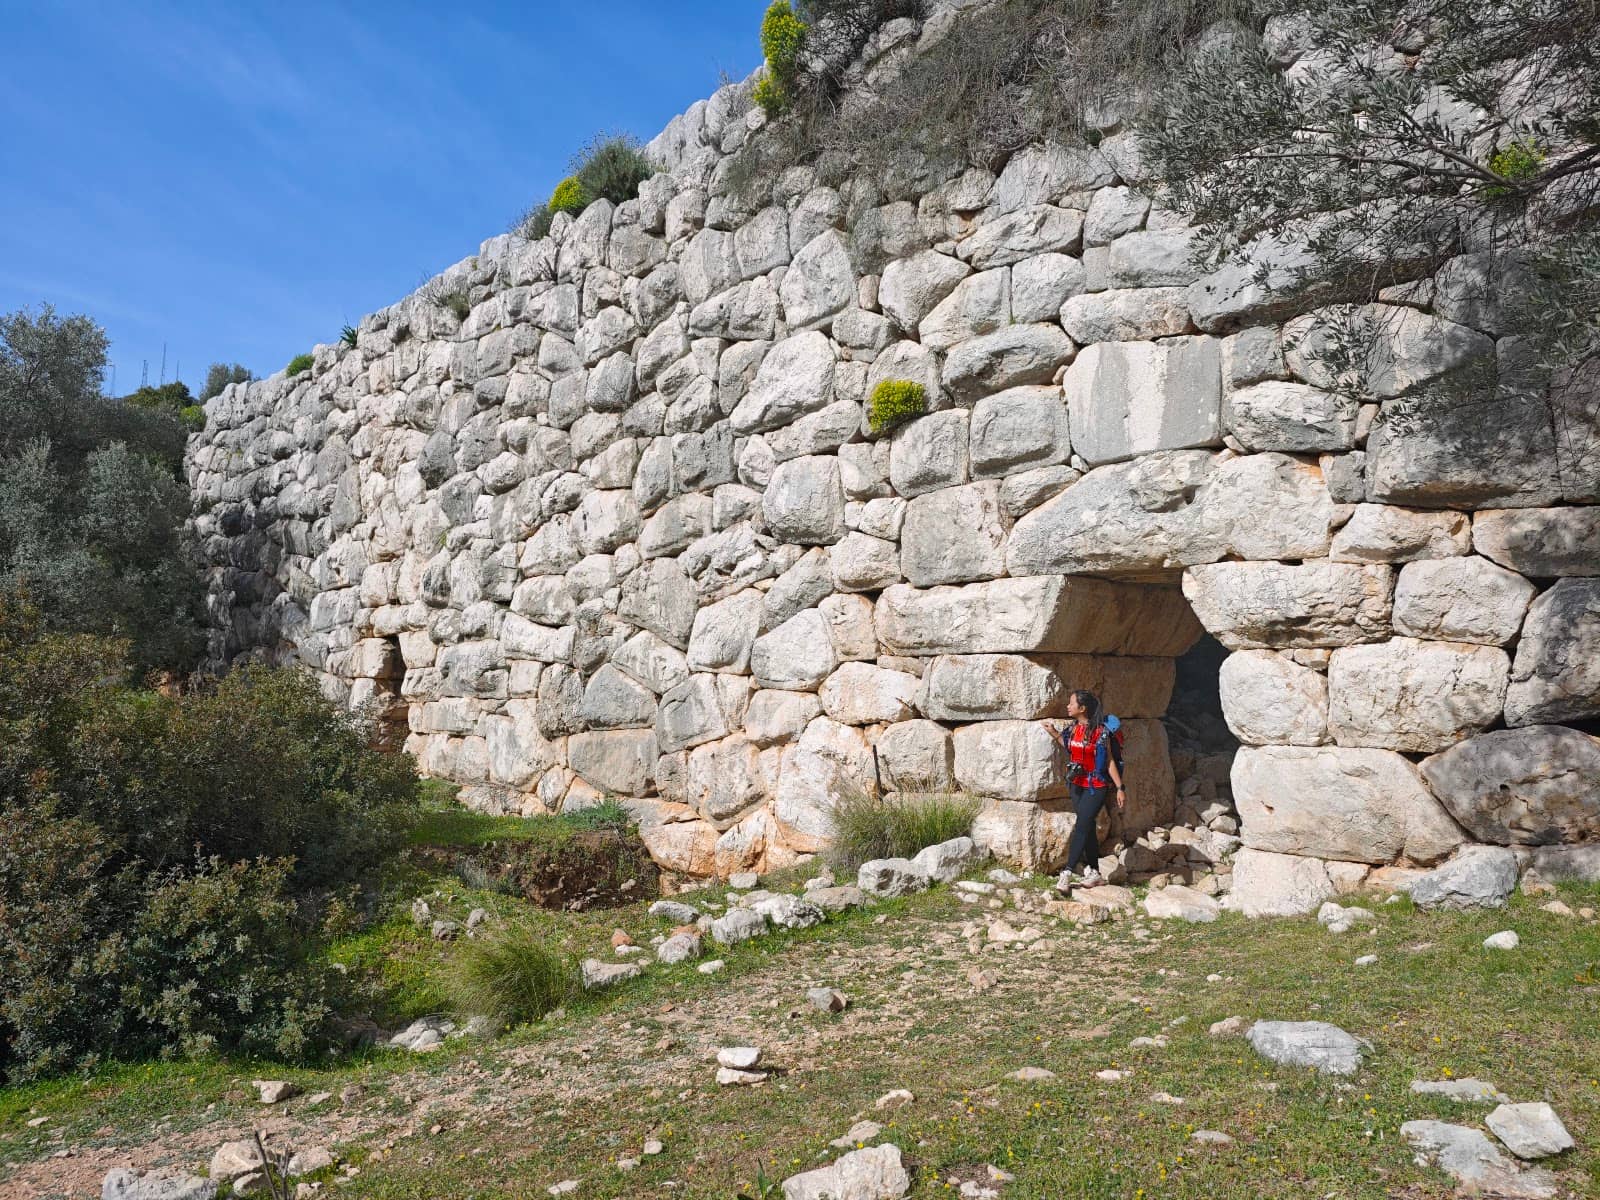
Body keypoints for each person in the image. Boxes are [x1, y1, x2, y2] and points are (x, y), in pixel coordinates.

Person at [1051, 689, 1125, 887]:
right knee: (1088, 826)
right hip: (1076, 783)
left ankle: (1067, 871)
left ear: (1082, 708)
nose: (1068, 706)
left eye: (1071, 703)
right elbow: (1069, 746)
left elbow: (1109, 760)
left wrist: (1119, 787)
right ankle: (1095, 872)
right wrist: (1054, 733)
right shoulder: (1073, 728)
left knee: (1082, 824)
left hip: (1096, 785)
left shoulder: (1101, 732)